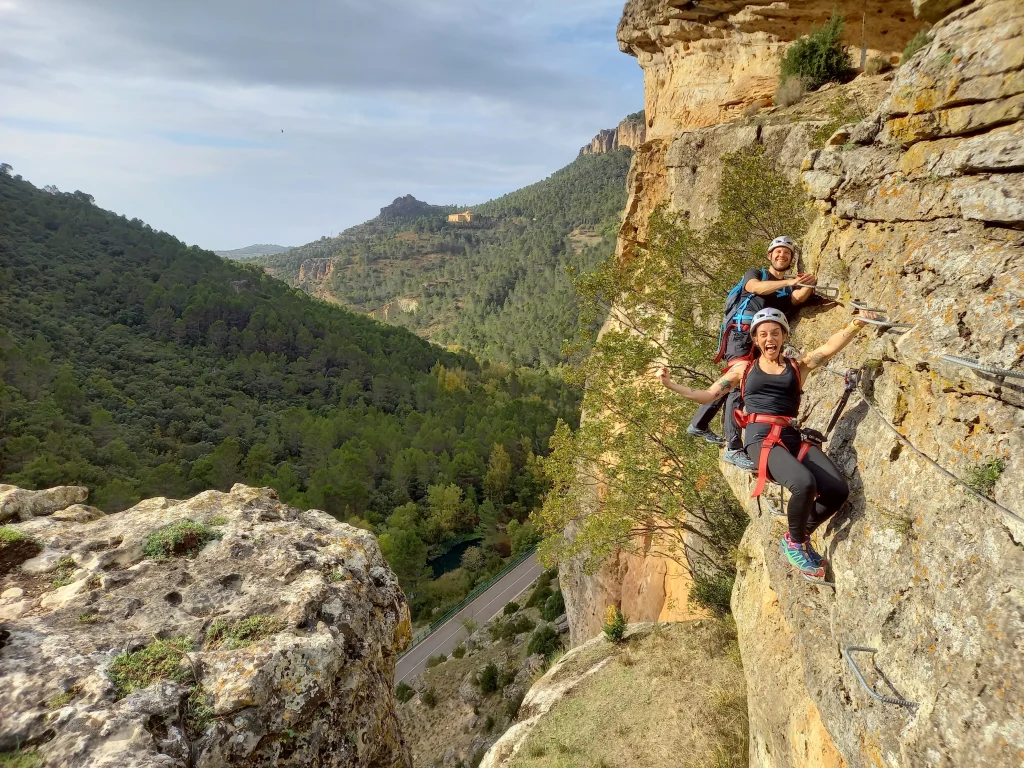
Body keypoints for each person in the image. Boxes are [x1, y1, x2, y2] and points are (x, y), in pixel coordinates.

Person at [657, 306, 875, 578]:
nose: (769, 338)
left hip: (791, 436)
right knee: (803, 483)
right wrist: (671, 385)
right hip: (760, 439)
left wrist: (857, 324)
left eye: (775, 333)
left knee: (837, 490)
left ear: (784, 336)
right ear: (756, 340)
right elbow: (708, 395)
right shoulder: (743, 369)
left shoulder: (797, 367)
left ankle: (799, 533)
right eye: (763, 334)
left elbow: (829, 348)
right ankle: (795, 543)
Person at [687, 236, 816, 473]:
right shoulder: (755, 273)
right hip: (739, 333)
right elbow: (755, 288)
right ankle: (733, 447)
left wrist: (808, 283)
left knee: (736, 382)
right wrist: (790, 280)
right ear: (770, 255)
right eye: (778, 252)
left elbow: (796, 298)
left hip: (755, 340)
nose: (782, 256)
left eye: (787, 254)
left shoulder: (785, 289)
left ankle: (699, 423)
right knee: (737, 387)